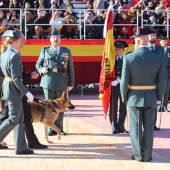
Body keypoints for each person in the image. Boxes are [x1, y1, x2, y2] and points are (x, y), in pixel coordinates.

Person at [120, 28, 165, 162]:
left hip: (134, 97)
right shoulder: (158, 57)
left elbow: (124, 82)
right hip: (151, 97)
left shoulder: (129, 57)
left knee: (135, 128)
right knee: (149, 129)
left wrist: (124, 97)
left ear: (138, 40)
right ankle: (147, 155)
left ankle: (138, 155)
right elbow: (162, 81)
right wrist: (159, 97)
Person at [0, 30, 34, 154]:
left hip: (9, 88)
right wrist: (26, 92)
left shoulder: (4, 54)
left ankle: (20, 147)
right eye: (20, 39)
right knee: (14, 118)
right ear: (15, 41)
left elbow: (1, 74)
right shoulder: (14, 55)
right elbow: (16, 78)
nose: (22, 41)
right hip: (14, 90)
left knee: (20, 119)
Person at [35, 30, 74, 136]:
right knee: (49, 106)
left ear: (60, 39)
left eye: (57, 37)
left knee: (61, 106)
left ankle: (59, 128)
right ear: (50, 39)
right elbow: (38, 64)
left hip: (61, 81)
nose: (56, 39)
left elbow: (70, 68)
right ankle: (50, 128)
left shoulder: (66, 51)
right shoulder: (45, 50)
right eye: (53, 37)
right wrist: (41, 69)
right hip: (48, 81)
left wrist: (71, 83)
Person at [109, 41, 129, 134]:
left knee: (123, 107)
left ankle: (121, 126)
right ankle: (113, 124)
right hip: (113, 87)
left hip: (122, 86)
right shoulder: (111, 60)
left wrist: (119, 80)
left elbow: (128, 73)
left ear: (123, 50)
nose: (118, 51)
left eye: (120, 49)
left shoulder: (126, 60)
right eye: (116, 49)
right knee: (113, 106)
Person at [147, 29, 164, 130]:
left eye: (154, 35)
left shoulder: (160, 49)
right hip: (146, 77)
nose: (153, 37)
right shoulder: (144, 48)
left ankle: (153, 123)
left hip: (157, 77)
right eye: (151, 35)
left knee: (155, 101)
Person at [159, 36, 170, 112]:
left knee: (166, 90)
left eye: (166, 41)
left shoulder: (169, 50)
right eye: (163, 41)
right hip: (159, 72)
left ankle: (165, 106)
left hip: (167, 72)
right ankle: (159, 106)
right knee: (159, 90)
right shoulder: (157, 50)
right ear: (160, 42)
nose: (165, 42)